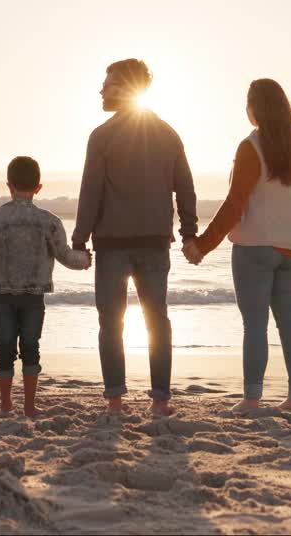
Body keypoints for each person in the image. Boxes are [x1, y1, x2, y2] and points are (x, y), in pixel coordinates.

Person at [183, 79, 291, 415]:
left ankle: (252, 399)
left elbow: (235, 203)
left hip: (255, 248)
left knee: (255, 323)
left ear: (255, 109)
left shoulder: (251, 146)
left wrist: (202, 245)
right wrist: (288, 218)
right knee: (289, 320)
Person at [72, 59, 198, 417]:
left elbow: (91, 193)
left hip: (114, 243)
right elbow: (186, 190)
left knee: (112, 322)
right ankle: (160, 401)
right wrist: (189, 233)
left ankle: (115, 401)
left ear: (127, 88)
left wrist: (80, 240)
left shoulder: (101, 136)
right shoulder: (168, 133)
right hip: (155, 242)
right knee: (157, 320)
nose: (101, 89)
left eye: (108, 84)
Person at [0, 156, 91, 418]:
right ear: (39, 187)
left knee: (5, 348)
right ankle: (30, 406)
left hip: (2, 294)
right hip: (34, 295)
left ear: (9, 186)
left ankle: (5, 404)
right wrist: (85, 260)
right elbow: (65, 255)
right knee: (31, 347)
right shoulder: (49, 221)